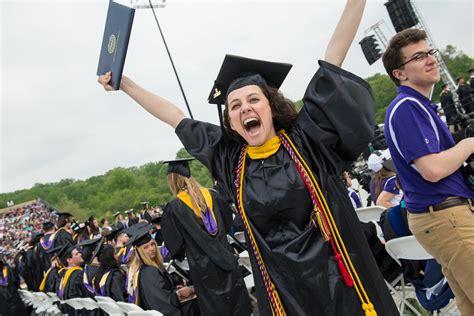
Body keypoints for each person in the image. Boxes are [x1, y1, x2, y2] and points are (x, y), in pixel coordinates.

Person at [99, 1, 398, 315]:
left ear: (271, 105)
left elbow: (333, 58)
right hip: (284, 293)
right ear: (230, 121)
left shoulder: (307, 140)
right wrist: (125, 83)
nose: (245, 108)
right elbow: (174, 116)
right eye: (235, 105)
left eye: (253, 99)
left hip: (340, 281)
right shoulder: (230, 161)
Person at [382, 28, 474, 315]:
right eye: (419, 56)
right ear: (400, 73)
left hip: (442, 217)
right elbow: (432, 170)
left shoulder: (417, 105)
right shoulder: (407, 106)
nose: (431, 60)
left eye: (430, 52)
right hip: (445, 216)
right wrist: (469, 144)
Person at [161, 158, 252, 316]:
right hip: (227, 260)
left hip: (203, 271)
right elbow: (227, 222)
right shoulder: (213, 195)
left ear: (172, 181)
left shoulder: (175, 208)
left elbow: (174, 244)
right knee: (237, 307)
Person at [126, 225, 200, 315]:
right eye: (146, 247)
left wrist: (174, 289)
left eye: (152, 244)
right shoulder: (149, 272)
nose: (152, 249)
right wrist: (178, 294)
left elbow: (159, 293)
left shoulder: (141, 268)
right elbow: (161, 303)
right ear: (139, 252)